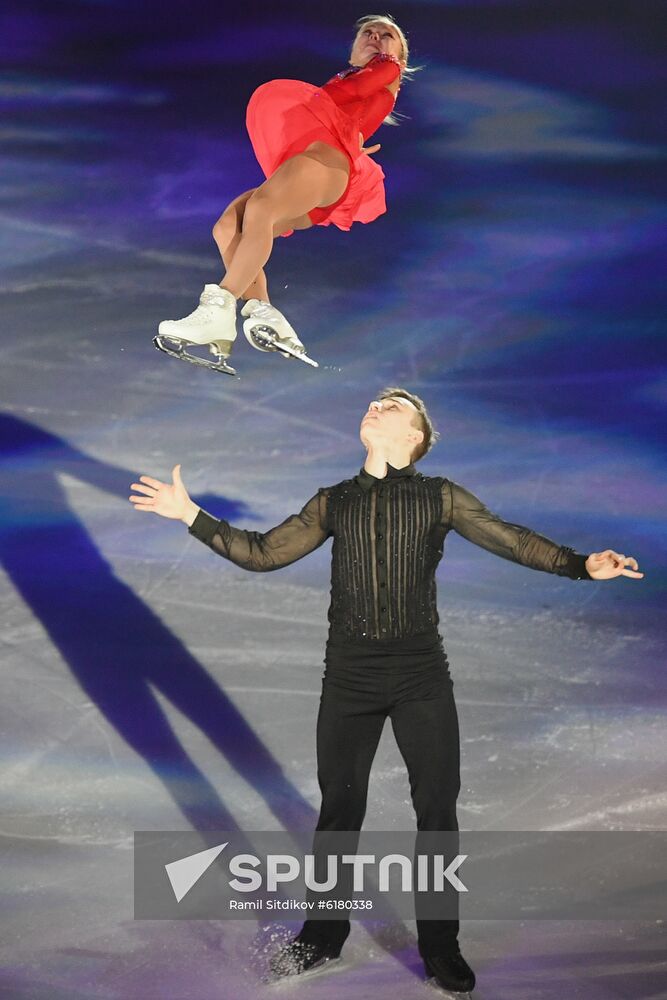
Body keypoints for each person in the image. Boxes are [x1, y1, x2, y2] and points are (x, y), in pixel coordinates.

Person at [129, 387, 643, 994]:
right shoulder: (333, 502)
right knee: (339, 810)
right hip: (349, 676)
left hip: (420, 674)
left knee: (437, 810)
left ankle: (440, 945)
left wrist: (581, 564)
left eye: (395, 404)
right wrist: (191, 515)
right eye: (375, 401)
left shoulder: (438, 497)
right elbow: (263, 553)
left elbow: (509, 538)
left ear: (415, 437)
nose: (378, 404)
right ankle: (322, 934)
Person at [155, 15, 413, 375]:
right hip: (311, 167)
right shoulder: (349, 76)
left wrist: (310, 107)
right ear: (353, 50)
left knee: (261, 209)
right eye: (367, 34)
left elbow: (348, 97)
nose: (375, 38)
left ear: (400, 55)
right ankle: (264, 313)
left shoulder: (385, 69)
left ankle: (217, 308)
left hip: (324, 164)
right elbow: (343, 104)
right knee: (229, 226)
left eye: (387, 36)